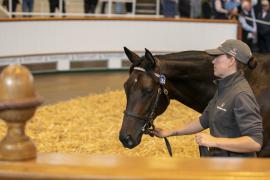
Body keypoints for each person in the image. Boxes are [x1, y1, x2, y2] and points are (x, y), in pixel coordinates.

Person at [153, 39, 263, 157]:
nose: (213, 61)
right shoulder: (224, 88)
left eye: (218, 57)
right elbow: (204, 120)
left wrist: (214, 141)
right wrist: (171, 132)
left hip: (235, 171)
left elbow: (254, 142)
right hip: (222, 164)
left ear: (231, 61)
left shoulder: (241, 95)